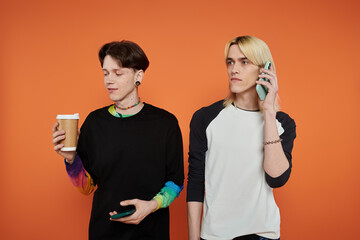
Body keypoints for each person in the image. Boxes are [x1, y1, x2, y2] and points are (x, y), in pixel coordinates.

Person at [52, 40, 184, 240]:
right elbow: (86, 187)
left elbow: (175, 182)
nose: (108, 80)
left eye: (118, 73)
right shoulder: (95, 122)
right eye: (105, 73)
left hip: (151, 233)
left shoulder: (165, 123)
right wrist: (71, 159)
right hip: (105, 232)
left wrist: (150, 206)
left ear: (138, 76)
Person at [186, 36, 296, 240]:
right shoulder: (205, 118)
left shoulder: (282, 123)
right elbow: (195, 180)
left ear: (265, 70)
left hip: (264, 234)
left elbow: (276, 178)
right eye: (230, 62)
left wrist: (269, 113)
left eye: (244, 62)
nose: (233, 69)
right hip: (216, 235)